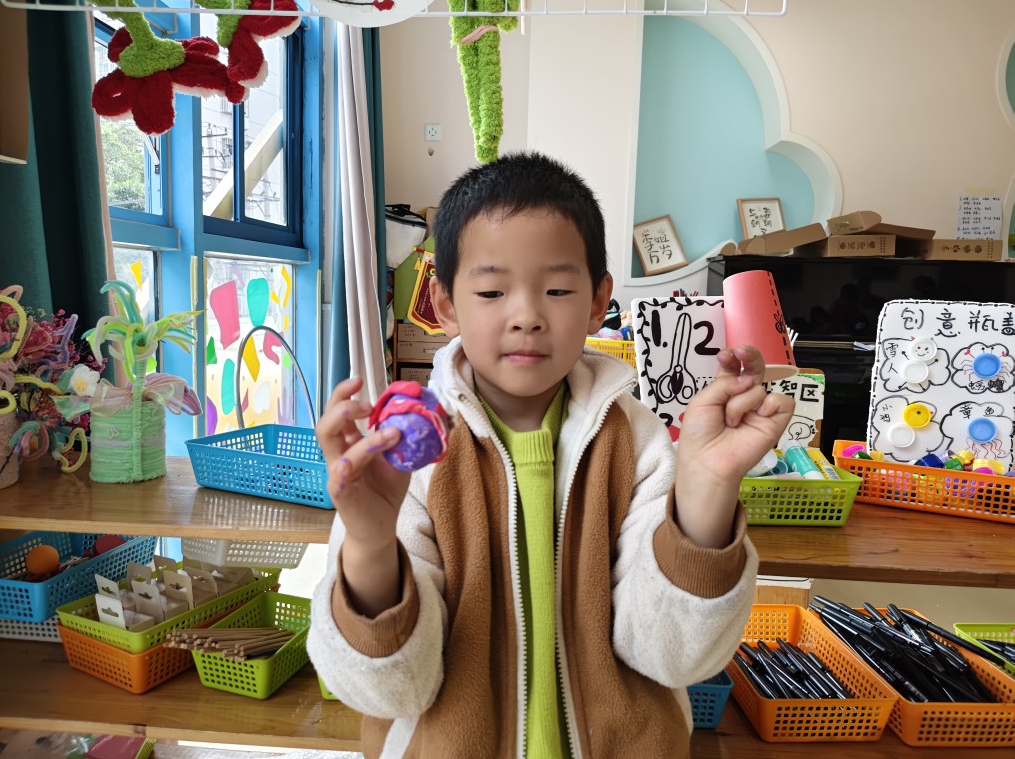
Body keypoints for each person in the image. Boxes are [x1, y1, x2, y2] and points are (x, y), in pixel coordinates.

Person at [308, 151, 793, 758]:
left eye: (558, 289)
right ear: (445, 303)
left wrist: (707, 489)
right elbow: (393, 691)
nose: (527, 317)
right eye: (492, 290)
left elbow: (673, 656)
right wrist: (370, 544)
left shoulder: (636, 441)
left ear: (597, 301)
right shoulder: (408, 455)